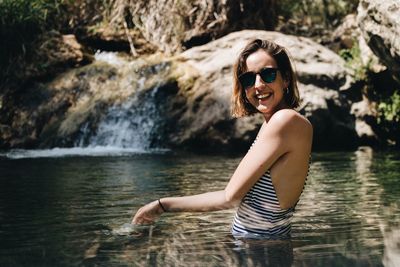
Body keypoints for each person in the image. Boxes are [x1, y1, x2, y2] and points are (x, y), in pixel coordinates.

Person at [132, 39, 313, 238]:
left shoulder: (285, 121)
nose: (258, 85)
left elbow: (230, 198)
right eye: (248, 79)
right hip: (262, 248)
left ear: (285, 78)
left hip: (259, 251)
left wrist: (162, 205)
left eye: (268, 74)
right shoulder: (278, 123)